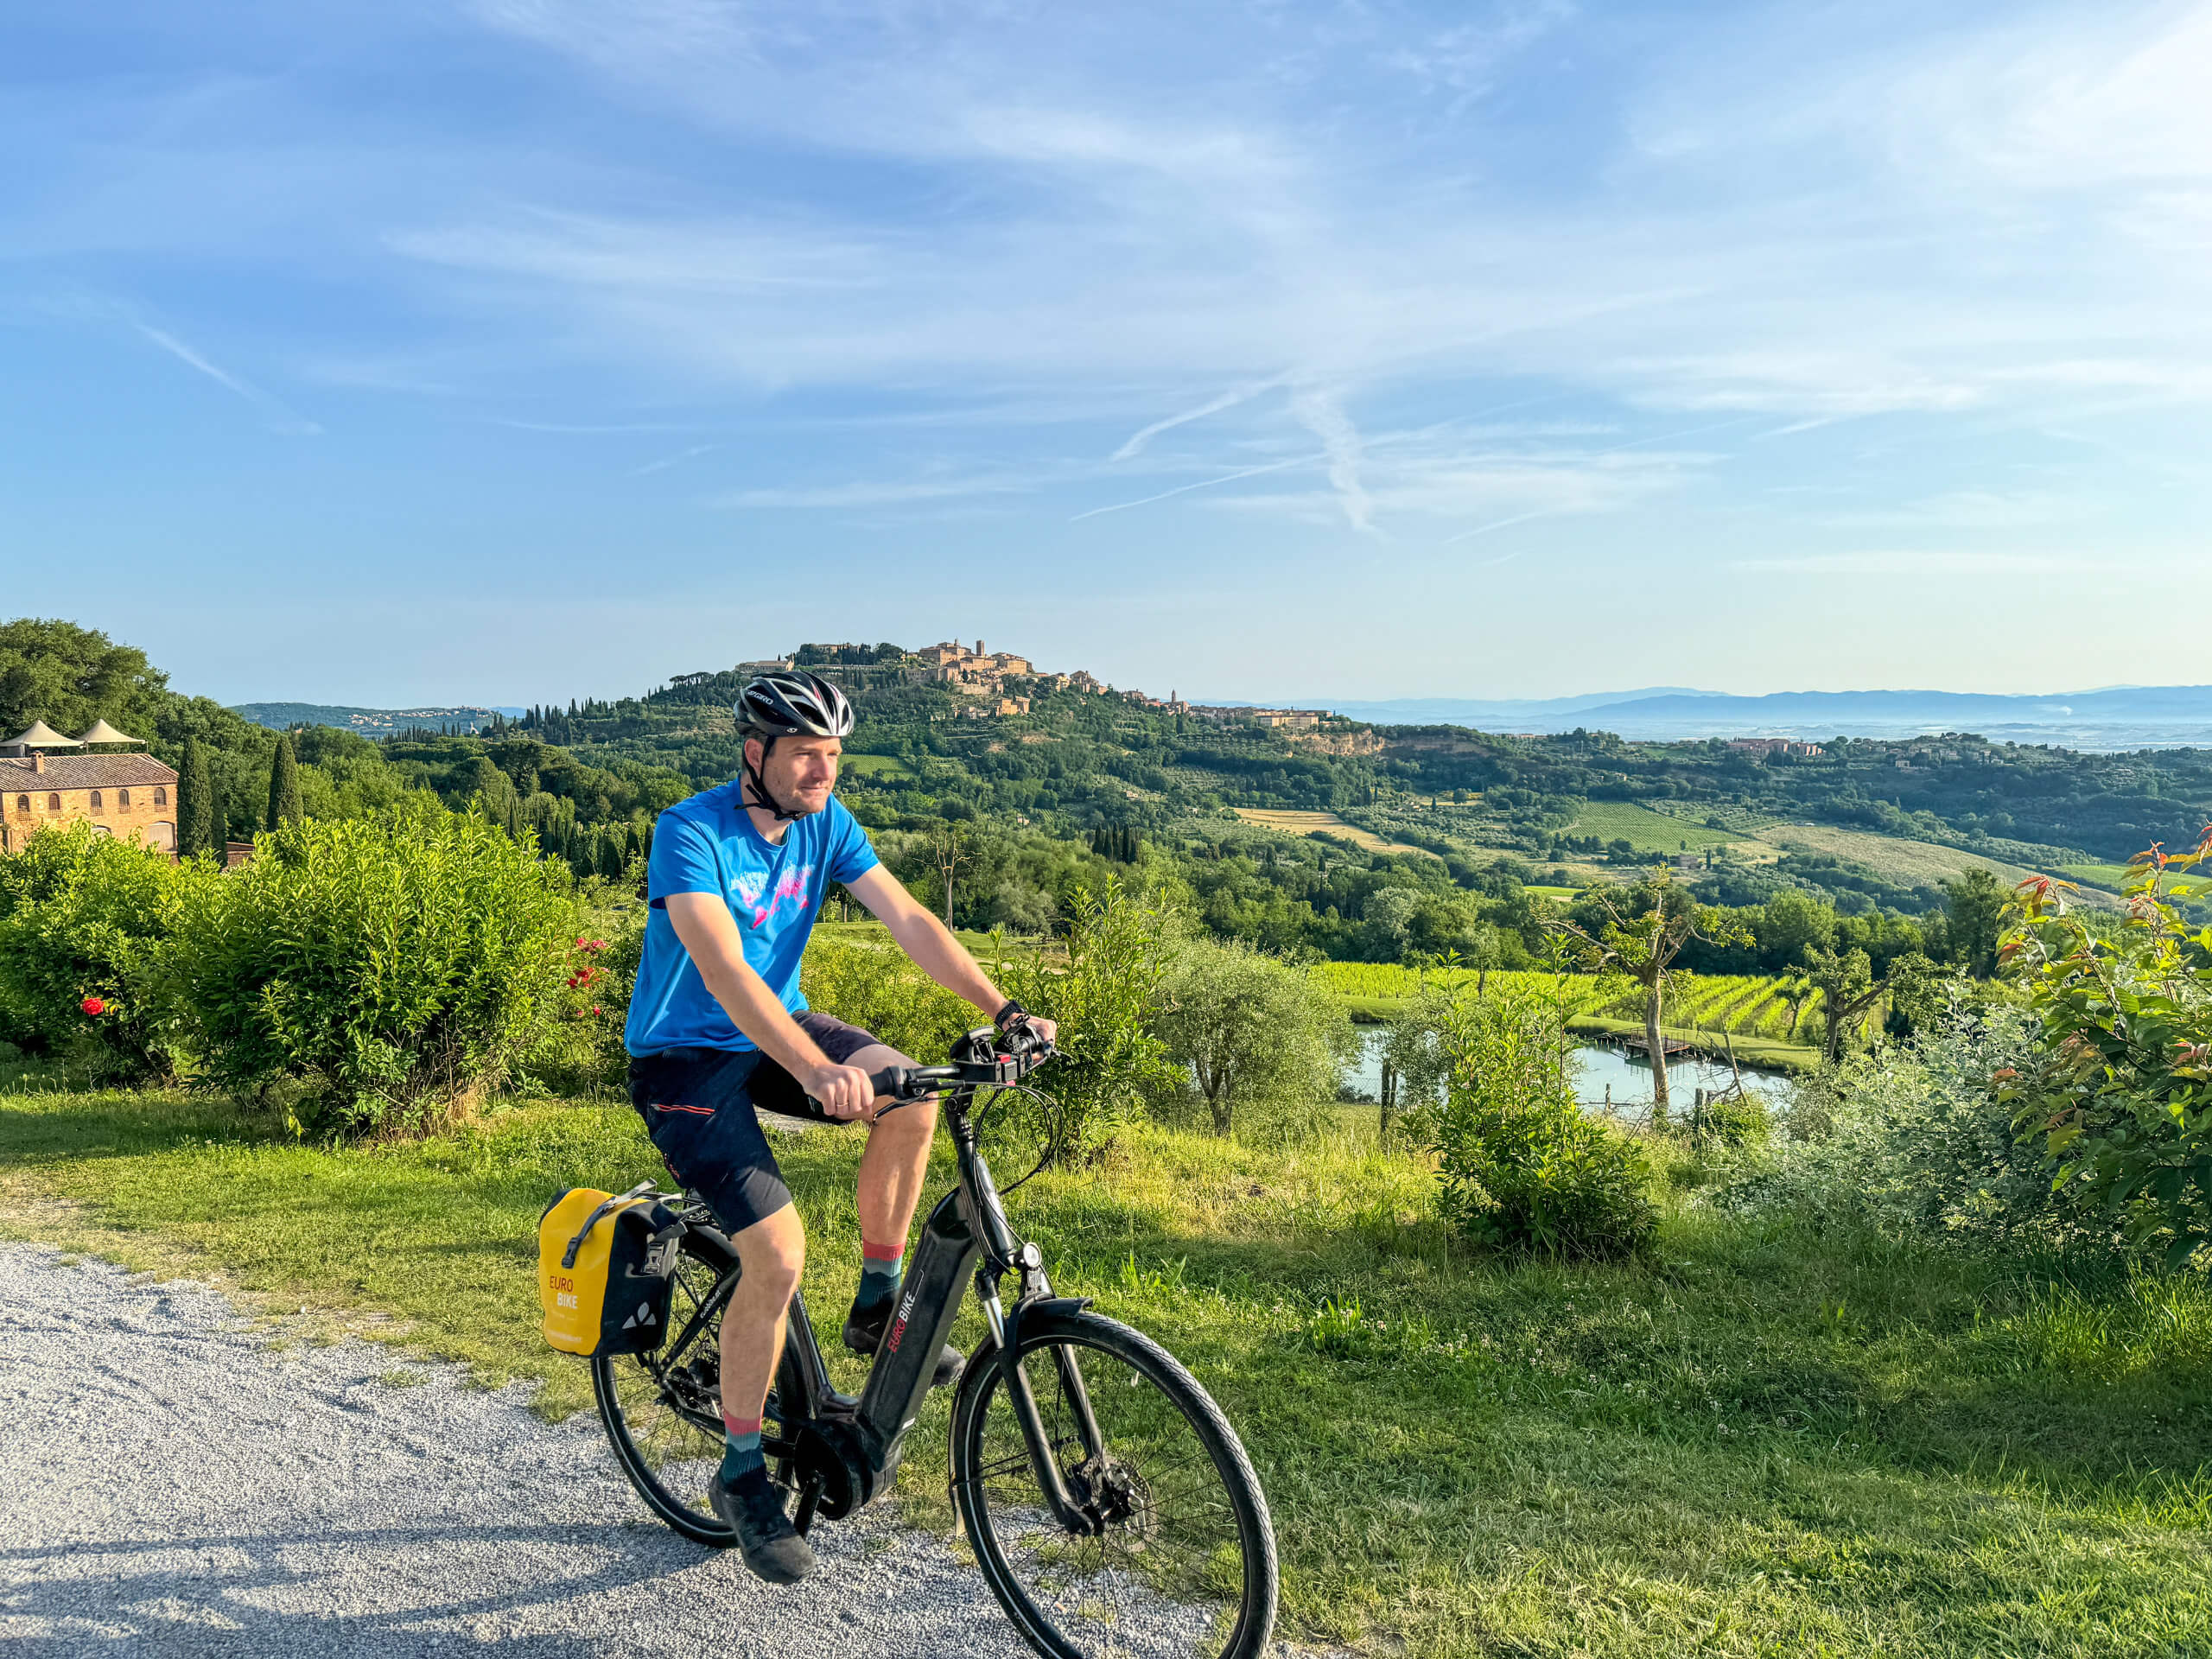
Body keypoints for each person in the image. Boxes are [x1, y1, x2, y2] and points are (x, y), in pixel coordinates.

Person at [623, 668, 1054, 1585]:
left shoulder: (827, 825)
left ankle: (876, 1302)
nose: (823, 771)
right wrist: (815, 1069)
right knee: (776, 1254)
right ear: (756, 753)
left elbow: (908, 918)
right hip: (687, 1060)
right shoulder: (689, 832)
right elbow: (726, 968)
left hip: (777, 1031)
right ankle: (741, 1474)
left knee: (913, 1095)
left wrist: (1003, 1006)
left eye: (833, 755)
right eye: (806, 754)